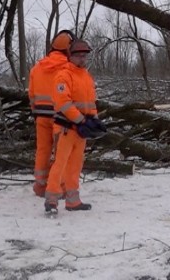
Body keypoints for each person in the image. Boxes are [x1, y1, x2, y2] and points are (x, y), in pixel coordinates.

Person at [44, 38, 106, 214]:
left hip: (81, 130)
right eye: (78, 55)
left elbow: (91, 102)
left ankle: (73, 201)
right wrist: (81, 120)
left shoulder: (86, 76)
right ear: (71, 56)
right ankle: (52, 201)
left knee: (75, 166)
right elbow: (63, 103)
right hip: (66, 128)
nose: (82, 59)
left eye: (84, 56)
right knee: (60, 164)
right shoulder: (63, 75)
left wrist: (94, 120)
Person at [27, 29, 74, 198]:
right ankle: (59, 186)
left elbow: (31, 95)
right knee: (60, 153)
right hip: (60, 118)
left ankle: (40, 185)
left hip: (41, 116)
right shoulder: (68, 69)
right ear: (68, 49)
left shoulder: (37, 68)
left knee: (42, 150)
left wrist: (36, 112)